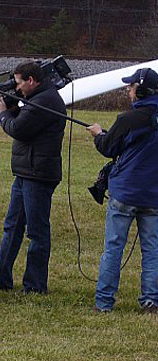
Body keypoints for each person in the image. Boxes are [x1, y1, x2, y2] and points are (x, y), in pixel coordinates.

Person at [0, 61, 67, 294]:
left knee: (36, 232)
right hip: (26, 172)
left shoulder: (45, 101)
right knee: (12, 227)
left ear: (31, 81)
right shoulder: (37, 97)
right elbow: (25, 118)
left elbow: (19, 129)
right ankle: (0, 279)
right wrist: (12, 105)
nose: (17, 89)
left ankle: (35, 286)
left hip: (38, 175)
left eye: (18, 84)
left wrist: (3, 113)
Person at [86, 68, 158, 314]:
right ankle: (151, 301)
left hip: (125, 193)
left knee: (113, 248)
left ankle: (104, 302)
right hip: (154, 196)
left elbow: (107, 148)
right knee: (152, 251)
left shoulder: (128, 120)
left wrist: (98, 134)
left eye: (131, 87)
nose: (128, 90)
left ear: (142, 90)